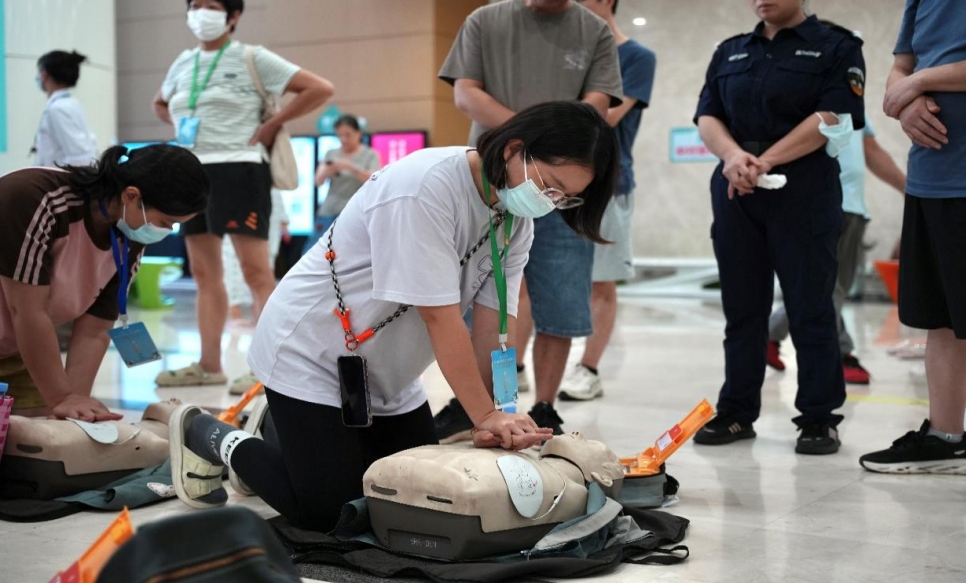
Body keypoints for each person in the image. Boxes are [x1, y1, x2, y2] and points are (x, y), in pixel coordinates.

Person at [166, 101, 619, 532]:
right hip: (311, 348)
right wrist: (482, 416)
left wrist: (498, 413)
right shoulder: (426, 187)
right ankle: (208, 434)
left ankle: (285, 431)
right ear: (514, 149)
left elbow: (493, 324)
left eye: (565, 198)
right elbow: (441, 319)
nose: (550, 201)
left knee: (404, 492)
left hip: (388, 369)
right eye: (549, 185)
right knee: (329, 512)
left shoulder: (516, 217)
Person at [435, 0, 623, 439]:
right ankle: (480, 404)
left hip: (565, 181)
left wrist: (549, 167)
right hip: (499, 180)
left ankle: (544, 405)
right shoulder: (485, 19)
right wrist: (527, 148)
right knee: (490, 299)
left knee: (560, 297)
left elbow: (593, 109)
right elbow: (466, 93)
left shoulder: (593, 30)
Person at [692, 0, 865, 455]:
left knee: (811, 307)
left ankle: (818, 418)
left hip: (803, 187)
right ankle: (735, 411)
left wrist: (766, 160)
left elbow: (831, 117)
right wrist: (733, 157)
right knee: (742, 308)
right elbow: (707, 115)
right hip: (735, 188)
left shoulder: (836, 46)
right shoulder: (730, 50)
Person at [152, 0, 334, 389]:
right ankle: (209, 364)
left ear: (233, 16)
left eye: (211, 5)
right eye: (194, 4)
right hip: (191, 170)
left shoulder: (253, 57)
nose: (201, 11)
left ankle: (268, 366)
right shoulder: (183, 62)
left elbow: (319, 88)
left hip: (240, 169)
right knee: (204, 273)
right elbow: (160, 102)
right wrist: (181, 126)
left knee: (255, 272)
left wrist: (273, 125)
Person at [0, 145, 208, 421]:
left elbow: (94, 330)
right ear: (132, 196)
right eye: (167, 222)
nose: (168, 232)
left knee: (40, 444)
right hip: (23, 332)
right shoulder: (35, 197)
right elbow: (26, 311)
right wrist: (61, 397)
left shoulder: (129, 240)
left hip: (18, 353)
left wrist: (73, 406)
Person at [860, 1, 966, 474]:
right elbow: (900, 67)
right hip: (930, 177)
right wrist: (904, 102)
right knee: (939, 317)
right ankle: (947, 438)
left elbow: (912, 75)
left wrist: (920, 83)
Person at [559, 0, 656, 401]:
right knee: (531, 279)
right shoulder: (565, 50)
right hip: (553, 180)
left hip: (608, 184)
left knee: (601, 281)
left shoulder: (635, 57)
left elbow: (606, 117)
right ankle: (519, 366)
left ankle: (589, 368)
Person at [768, 118, 906, 385]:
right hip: (816, 204)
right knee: (823, 290)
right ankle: (839, 355)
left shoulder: (850, 98)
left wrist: (907, 188)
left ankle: (769, 334)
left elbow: (872, 151)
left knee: (825, 289)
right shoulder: (807, 91)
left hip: (853, 209)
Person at [303, 114, 381, 254]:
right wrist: (329, 169)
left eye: (348, 134)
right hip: (329, 210)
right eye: (340, 135)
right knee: (313, 252)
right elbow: (318, 181)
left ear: (358, 133)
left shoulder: (370, 154)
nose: (343, 139)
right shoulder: (331, 153)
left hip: (356, 211)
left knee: (354, 253)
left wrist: (350, 167)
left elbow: (374, 179)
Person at [32, 50, 98, 168]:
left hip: (60, 182)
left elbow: (80, 156)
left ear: (44, 74)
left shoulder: (58, 108)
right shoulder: (70, 104)